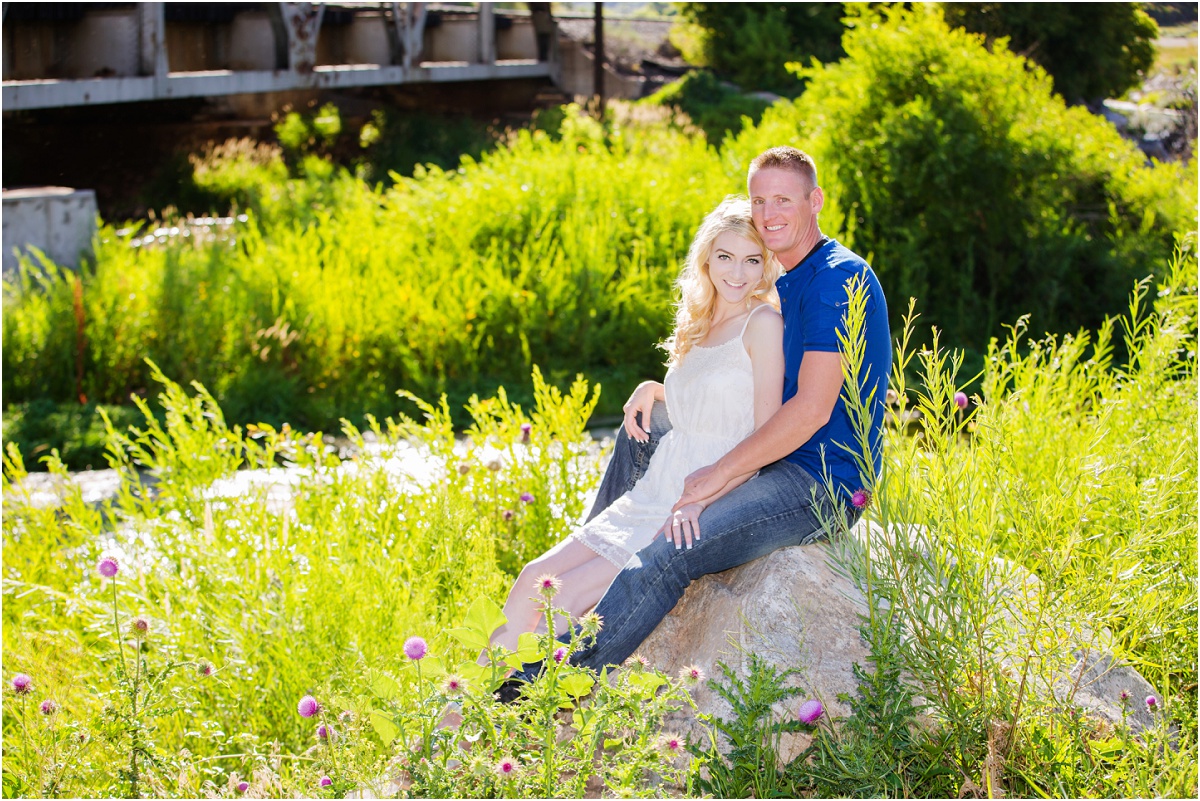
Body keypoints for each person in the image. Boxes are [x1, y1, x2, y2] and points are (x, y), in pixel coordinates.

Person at [507, 146, 892, 685]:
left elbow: (808, 411)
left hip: (817, 481)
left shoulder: (835, 277)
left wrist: (721, 473)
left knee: (670, 554)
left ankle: (542, 687)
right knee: (639, 433)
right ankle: (601, 543)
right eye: (760, 199)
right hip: (781, 458)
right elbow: (741, 383)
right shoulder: (790, 278)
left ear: (816, 201)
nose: (769, 211)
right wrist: (659, 391)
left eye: (784, 199)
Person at [488, 196, 785, 657]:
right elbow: (712, 396)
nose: (738, 273)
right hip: (656, 486)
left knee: (564, 597)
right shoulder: (702, 322)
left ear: (766, 264)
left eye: (752, 260)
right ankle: (463, 714)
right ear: (706, 259)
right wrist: (653, 386)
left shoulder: (763, 322)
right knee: (534, 577)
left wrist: (702, 498)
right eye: (726, 257)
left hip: (698, 493)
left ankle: (514, 707)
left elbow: (765, 433)